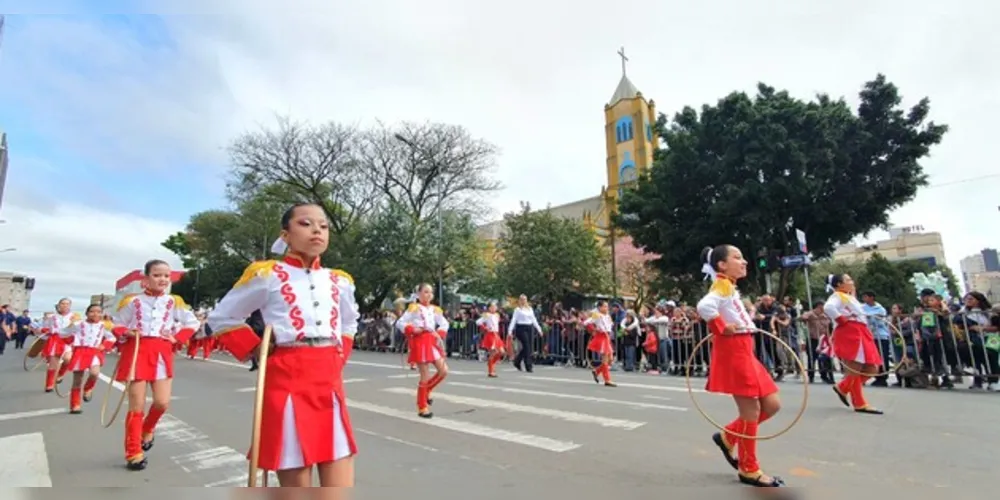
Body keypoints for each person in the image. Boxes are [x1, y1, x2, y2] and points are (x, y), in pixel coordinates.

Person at [208, 203, 360, 487]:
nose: (317, 230)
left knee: (339, 479)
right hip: (286, 377)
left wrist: (341, 355)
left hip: (329, 380)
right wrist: (257, 349)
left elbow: (350, 322)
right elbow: (222, 317)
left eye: (324, 226)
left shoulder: (338, 281)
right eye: (305, 223)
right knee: (295, 478)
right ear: (286, 234)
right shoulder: (268, 275)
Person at [696, 244, 785, 488]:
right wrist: (721, 327)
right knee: (751, 411)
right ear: (722, 265)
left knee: (772, 404)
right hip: (734, 350)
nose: (744, 261)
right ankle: (749, 468)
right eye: (737, 257)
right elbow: (704, 307)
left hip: (745, 349)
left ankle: (728, 436)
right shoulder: (722, 285)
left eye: (743, 257)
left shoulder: (729, 286)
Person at [112, 259, 201, 471]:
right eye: (157, 275)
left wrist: (176, 338)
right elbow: (116, 323)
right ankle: (133, 452)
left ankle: (147, 429)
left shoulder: (174, 301)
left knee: (161, 403)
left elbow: (192, 322)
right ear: (146, 278)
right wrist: (126, 332)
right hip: (137, 351)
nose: (162, 279)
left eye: (166, 276)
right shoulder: (132, 301)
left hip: (161, 352)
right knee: (137, 406)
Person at [823, 274, 883, 415]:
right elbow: (829, 308)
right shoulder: (837, 296)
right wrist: (842, 320)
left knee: (871, 368)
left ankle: (844, 388)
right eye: (848, 280)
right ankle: (858, 401)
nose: (852, 282)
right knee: (856, 367)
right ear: (839, 284)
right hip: (851, 332)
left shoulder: (848, 297)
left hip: (861, 331)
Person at [398, 283, 450, 418]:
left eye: (430, 292)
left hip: (432, 341)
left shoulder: (435, 309)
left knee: (443, 371)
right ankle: (422, 406)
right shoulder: (414, 308)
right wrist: (412, 329)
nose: (429, 295)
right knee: (425, 376)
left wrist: (439, 333)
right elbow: (400, 323)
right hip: (420, 341)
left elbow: (444, 323)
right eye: (426, 292)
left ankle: (426, 391)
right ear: (419, 294)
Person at [58, 304, 116, 414]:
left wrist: (104, 345)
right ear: (87, 313)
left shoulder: (104, 326)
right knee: (77, 380)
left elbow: (112, 337)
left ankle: (88, 388)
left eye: (99, 312)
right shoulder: (78, 324)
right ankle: (75, 405)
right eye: (92, 311)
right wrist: (72, 341)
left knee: (94, 373)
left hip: (94, 352)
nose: (95, 314)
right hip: (80, 352)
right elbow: (62, 333)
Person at [38, 299, 78, 393]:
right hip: (55, 340)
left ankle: (60, 374)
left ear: (70, 306)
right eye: (62, 303)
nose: (64, 306)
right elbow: (47, 328)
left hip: (67, 340)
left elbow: (78, 329)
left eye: (67, 304)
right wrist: (42, 331)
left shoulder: (74, 317)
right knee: (53, 363)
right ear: (59, 305)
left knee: (68, 358)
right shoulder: (52, 317)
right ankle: (49, 384)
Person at [584, 301, 617, 387]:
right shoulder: (597, 315)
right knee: (606, 358)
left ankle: (597, 371)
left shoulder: (608, 315)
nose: (607, 308)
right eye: (604, 306)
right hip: (602, 336)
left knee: (610, 359)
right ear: (600, 308)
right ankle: (607, 380)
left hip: (607, 336)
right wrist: (595, 329)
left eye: (607, 306)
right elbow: (587, 322)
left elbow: (610, 326)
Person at [507, 295, 543, 372]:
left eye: (525, 299)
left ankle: (517, 361)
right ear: (519, 300)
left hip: (529, 327)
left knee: (528, 347)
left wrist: (539, 329)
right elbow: (514, 320)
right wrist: (510, 331)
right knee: (526, 345)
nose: (523, 301)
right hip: (521, 328)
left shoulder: (530, 309)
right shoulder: (517, 309)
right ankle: (528, 365)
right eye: (522, 299)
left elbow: (534, 319)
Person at [476, 302, 505, 377]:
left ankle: (491, 363)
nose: (494, 308)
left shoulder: (497, 315)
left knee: (501, 352)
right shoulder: (486, 315)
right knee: (493, 352)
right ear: (489, 308)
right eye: (493, 306)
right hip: (490, 334)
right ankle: (491, 370)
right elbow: (478, 322)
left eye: (495, 306)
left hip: (496, 334)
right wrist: (485, 328)